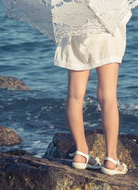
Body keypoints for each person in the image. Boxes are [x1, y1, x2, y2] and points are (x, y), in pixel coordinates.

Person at [54, 14, 130, 175]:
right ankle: (111, 159)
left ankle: (81, 153)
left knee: (74, 96)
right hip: (107, 29)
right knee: (107, 95)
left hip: (77, 26)